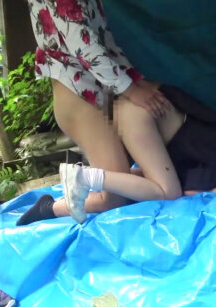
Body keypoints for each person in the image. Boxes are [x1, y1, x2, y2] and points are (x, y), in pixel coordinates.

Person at [17, 85, 216, 225]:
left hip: (134, 115)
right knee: (165, 193)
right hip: (140, 117)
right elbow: (190, 193)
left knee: (125, 194)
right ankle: (84, 177)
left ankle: (48, 208)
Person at [27, 0, 173, 218]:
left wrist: (134, 82)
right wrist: (132, 90)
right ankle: (49, 208)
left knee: (138, 179)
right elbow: (82, 44)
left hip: (102, 86)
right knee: (113, 199)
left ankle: (90, 178)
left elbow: (103, 37)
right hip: (77, 92)